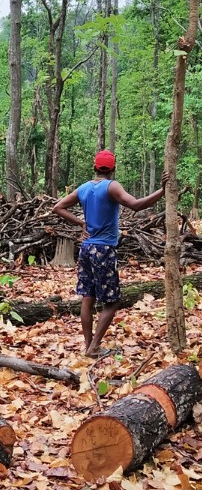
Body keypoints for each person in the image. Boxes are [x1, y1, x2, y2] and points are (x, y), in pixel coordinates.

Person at [53, 150, 168, 357]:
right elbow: (135, 205)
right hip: (103, 250)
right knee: (112, 301)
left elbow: (58, 207)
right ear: (113, 169)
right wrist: (162, 191)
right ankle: (94, 346)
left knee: (88, 298)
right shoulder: (111, 186)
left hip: (86, 249)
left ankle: (88, 346)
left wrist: (80, 222)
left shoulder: (84, 188)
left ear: (94, 168)